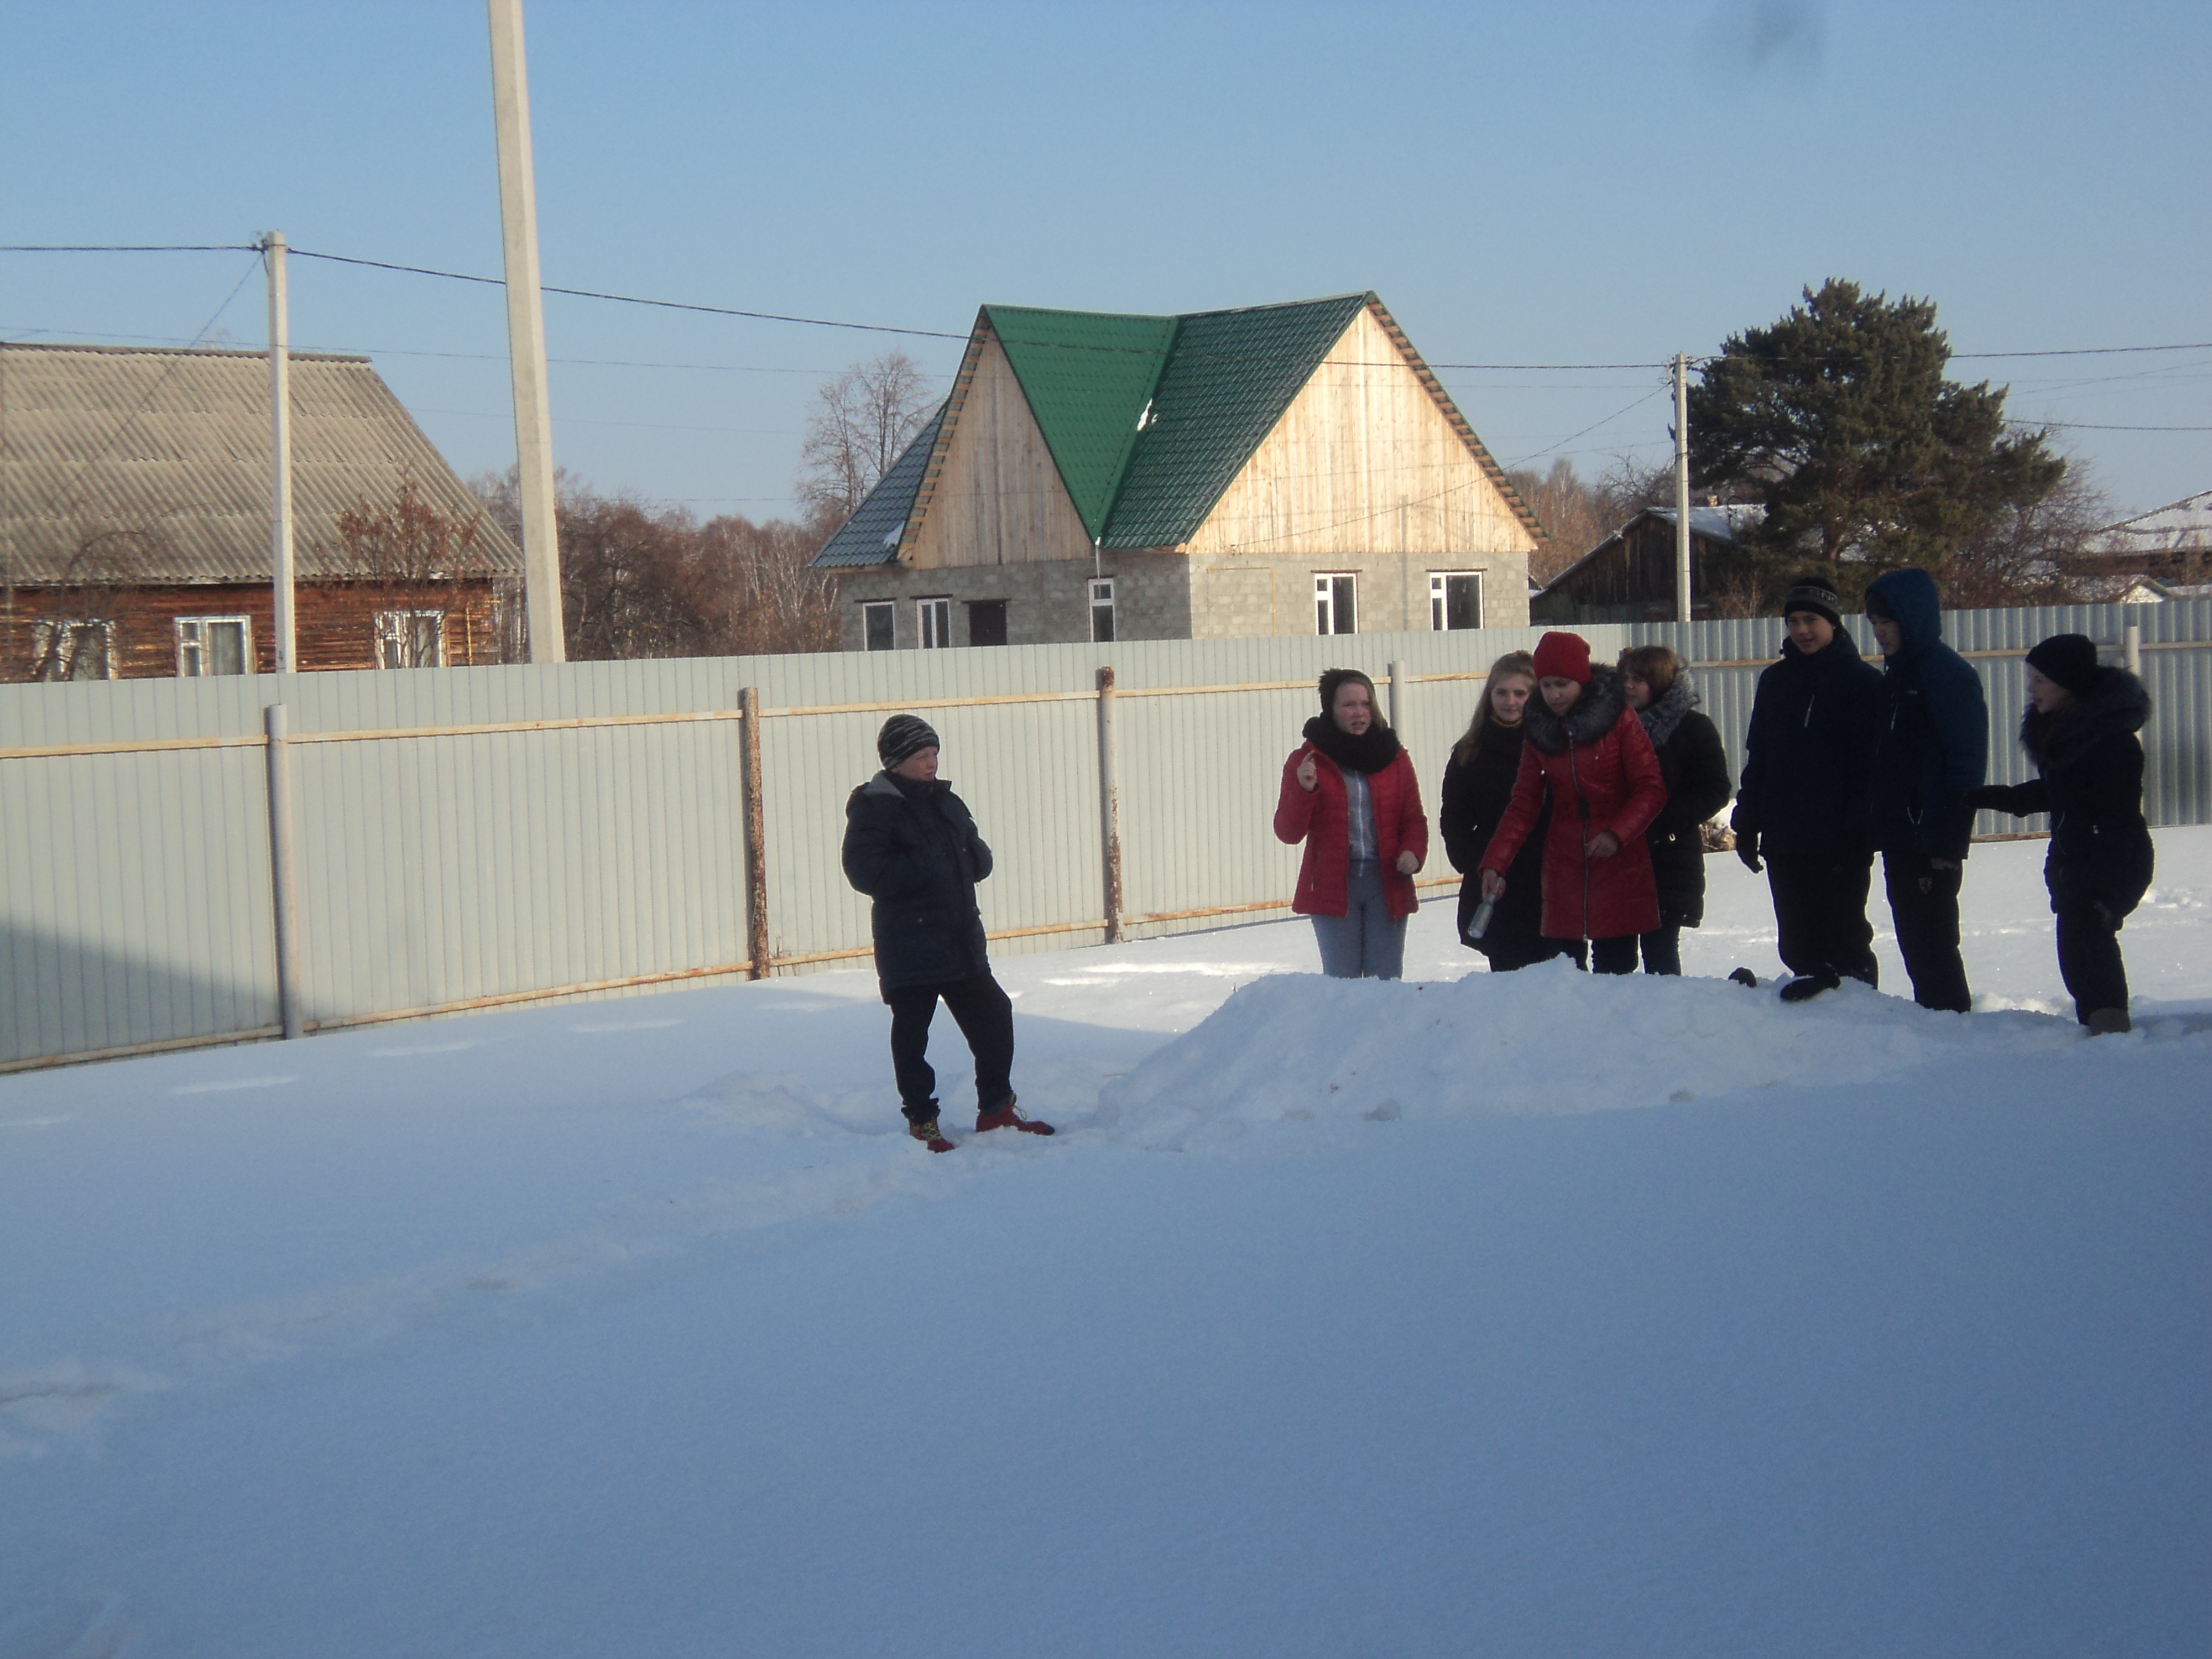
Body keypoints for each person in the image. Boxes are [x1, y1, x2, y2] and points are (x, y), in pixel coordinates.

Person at [841, 714, 1054, 1151]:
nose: (931, 762)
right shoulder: (875, 808)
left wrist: (977, 858)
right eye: (922, 755)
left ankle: (996, 1110)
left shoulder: (946, 801)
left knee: (995, 1016)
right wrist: (929, 865)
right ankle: (922, 1121)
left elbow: (972, 851)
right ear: (896, 761)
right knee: (913, 1036)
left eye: (934, 753)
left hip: (959, 941)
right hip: (910, 945)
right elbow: (864, 871)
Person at [1965, 634, 2153, 1034]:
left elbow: (2116, 819)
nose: (2030, 689)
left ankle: (2112, 1037)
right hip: (2076, 861)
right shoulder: (2068, 733)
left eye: (2040, 680)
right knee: (2075, 956)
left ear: (2070, 685)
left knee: (2092, 948)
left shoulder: (2112, 745)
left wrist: (2101, 884)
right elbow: (2060, 792)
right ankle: (2099, 1032)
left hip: (2111, 861)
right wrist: (1994, 797)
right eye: (2030, 678)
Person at [1730, 578, 1886, 1001]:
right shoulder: (1776, 681)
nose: (1801, 630)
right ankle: (1813, 1027)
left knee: (1846, 941)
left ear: (1833, 622)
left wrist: (1858, 829)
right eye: (1793, 621)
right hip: (1785, 837)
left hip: (1839, 840)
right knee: (1798, 944)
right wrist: (1748, 822)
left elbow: (1871, 769)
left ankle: (1859, 1013)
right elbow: (1760, 757)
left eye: (1811, 620)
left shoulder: (1862, 683)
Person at [1478, 631, 1665, 975]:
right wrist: (1496, 861)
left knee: (1616, 970)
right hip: (1564, 860)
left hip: (1618, 860)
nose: (1554, 695)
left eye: (1562, 684)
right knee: (1565, 972)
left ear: (1582, 681)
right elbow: (1524, 802)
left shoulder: (1619, 719)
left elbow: (1651, 788)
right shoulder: (1540, 727)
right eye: (1546, 685)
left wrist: (1617, 834)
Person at [1864, 568, 1989, 1013]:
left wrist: (1949, 841)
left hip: (1931, 838)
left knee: (1934, 945)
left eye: (1888, 622)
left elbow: (1966, 762)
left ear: (1913, 619)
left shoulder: (1947, 675)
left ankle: (1952, 1026)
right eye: (1875, 623)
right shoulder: (1896, 678)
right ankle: (1937, 1026)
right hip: (1900, 834)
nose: (1880, 632)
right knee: (1915, 944)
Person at [1275, 668, 1428, 979]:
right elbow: (1288, 833)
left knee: (1385, 983)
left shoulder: (1394, 757)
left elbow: (1414, 819)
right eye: (1349, 705)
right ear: (1331, 709)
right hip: (1333, 886)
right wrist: (1304, 790)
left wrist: (1414, 851)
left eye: (1365, 704)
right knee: (1342, 984)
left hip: (1387, 884)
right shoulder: (1307, 760)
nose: (1359, 712)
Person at [1437, 651, 1573, 972]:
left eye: (1520, 693)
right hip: (1496, 880)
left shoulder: (1557, 744)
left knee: (1561, 973)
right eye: (1502, 692)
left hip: (1550, 879)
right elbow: (1454, 816)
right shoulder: (1471, 749)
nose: (1510, 701)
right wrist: (1473, 862)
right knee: (1508, 974)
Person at [1618, 645, 1731, 975]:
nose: (1629, 686)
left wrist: (1662, 821)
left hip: (1669, 856)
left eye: (1639, 679)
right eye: (1624, 677)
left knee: (1661, 954)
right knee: (1613, 958)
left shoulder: (1692, 728)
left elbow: (1714, 789)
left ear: (1661, 682)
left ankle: (1665, 1011)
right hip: (1616, 857)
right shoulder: (1609, 727)